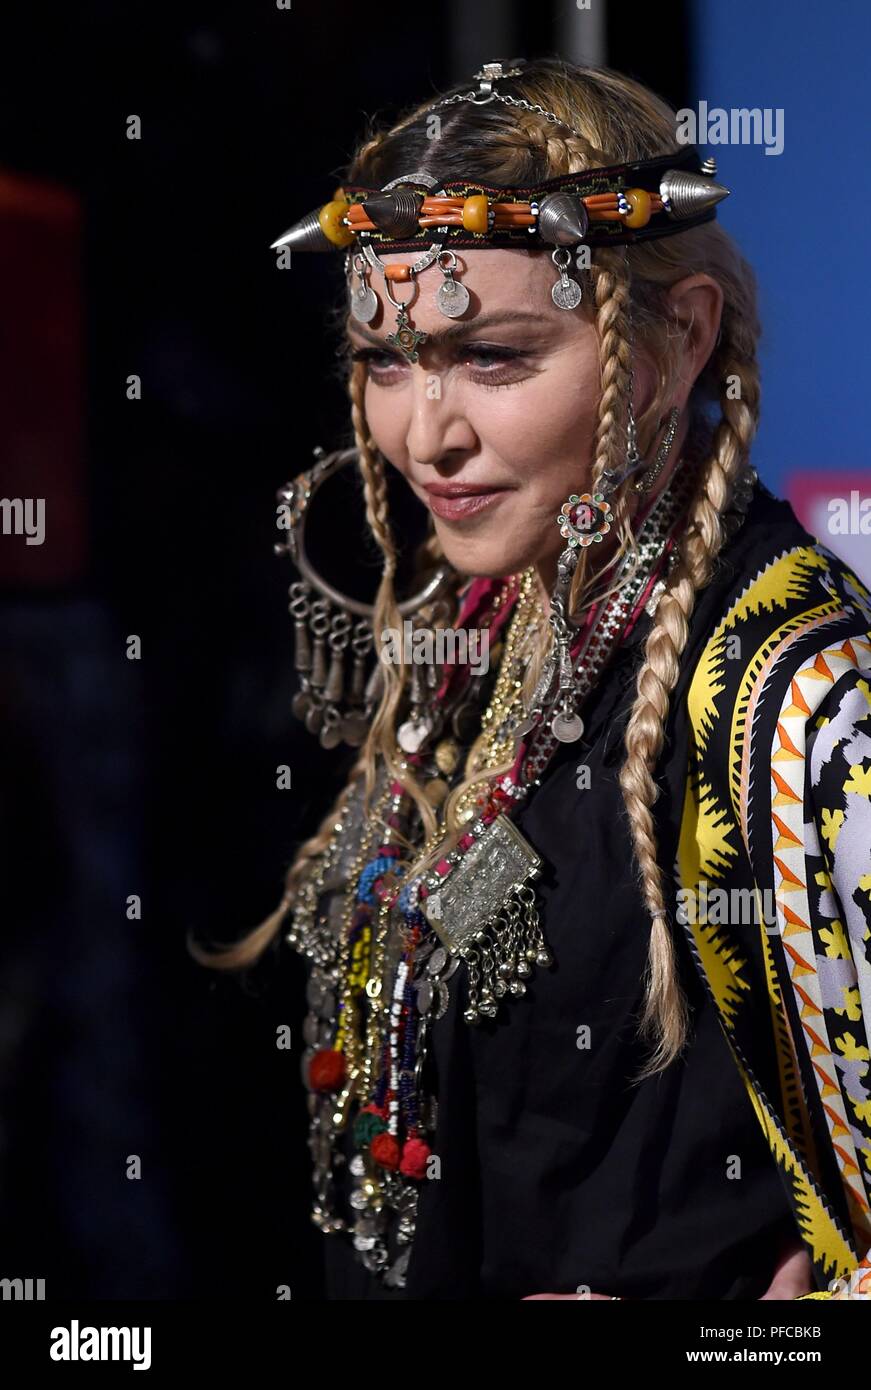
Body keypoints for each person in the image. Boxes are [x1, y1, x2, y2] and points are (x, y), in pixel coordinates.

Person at [190, 57, 871, 1301]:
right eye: (387, 360)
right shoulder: (479, 619)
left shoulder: (802, 702)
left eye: (493, 356)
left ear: (680, 334)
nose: (424, 434)